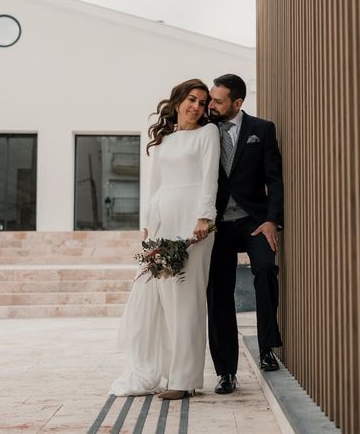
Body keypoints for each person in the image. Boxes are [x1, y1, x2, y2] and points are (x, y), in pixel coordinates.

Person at [110, 79, 220, 401]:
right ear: (177, 102)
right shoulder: (164, 139)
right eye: (191, 100)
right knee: (161, 300)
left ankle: (184, 380)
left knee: (186, 302)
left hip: (193, 225)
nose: (197, 107)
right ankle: (166, 370)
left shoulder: (207, 134)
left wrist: (205, 217)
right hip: (162, 223)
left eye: (202, 103)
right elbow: (155, 185)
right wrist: (147, 226)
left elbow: (209, 178)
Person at [206, 74, 284, 395]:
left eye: (218, 101)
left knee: (265, 270)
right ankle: (226, 371)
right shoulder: (204, 130)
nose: (211, 104)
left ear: (237, 103)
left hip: (254, 221)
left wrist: (272, 221)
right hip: (218, 226)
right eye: (211, 98)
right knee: (218, 292)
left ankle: (267, 348)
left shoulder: (261, 130)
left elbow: (274, 178)